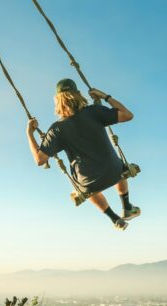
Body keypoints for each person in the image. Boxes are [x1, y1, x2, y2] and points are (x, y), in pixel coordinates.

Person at [26, 78, 141, 230]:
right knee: (118, 166)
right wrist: (105, 97)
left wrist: (29, 133)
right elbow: (128, 115)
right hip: (114, 172)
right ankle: (126, 206)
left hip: (89, 183)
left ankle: (115, 219)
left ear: (58, 101)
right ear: (78, 94)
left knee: (83, 187)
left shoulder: (56, 129)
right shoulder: (95, 111)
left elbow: (39, 160)